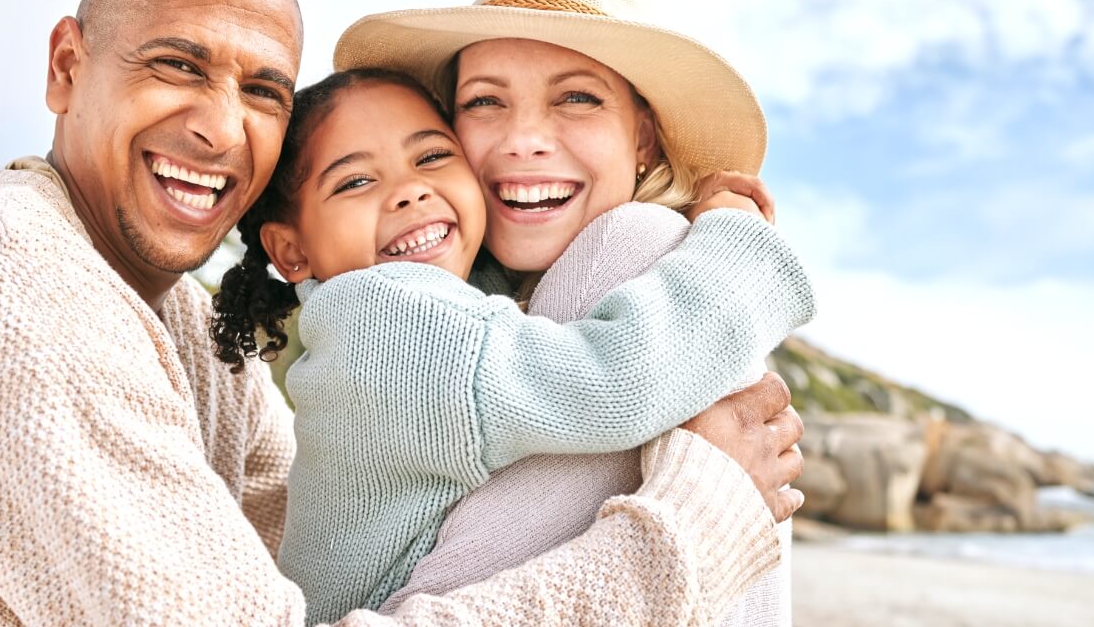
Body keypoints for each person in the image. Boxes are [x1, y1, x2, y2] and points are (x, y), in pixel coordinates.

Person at [0, 0, 805, 626]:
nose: (219, 129)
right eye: (177, 65)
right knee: (641, 246)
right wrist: (696, 527)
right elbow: (612, 379)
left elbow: (279, 533)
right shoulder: (23, 276)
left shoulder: (194, 334)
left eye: (266, 91)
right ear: (65, 66)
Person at [210, 64, 813, 623]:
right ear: (291, 251)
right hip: (397, 605)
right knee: (648, 246)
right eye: (357, 181)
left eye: (433, 156)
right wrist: (732, 239)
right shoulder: (375, 319)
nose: (409, 192)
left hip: (433, 576)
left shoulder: (454, 295)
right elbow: (616, 382)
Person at [341, 0, 796, 627]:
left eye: (577, 97)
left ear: (643, 138)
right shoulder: (442, 300)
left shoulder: (638, 249)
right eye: (485, 101)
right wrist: (736, 243)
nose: (524, 137)